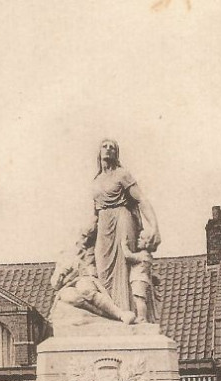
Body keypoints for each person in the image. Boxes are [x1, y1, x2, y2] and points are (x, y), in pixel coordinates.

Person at [86, 138, 160, 317]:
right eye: (105, 146)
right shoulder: (95, 181)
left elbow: (141, 199)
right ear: (99, 152)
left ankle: (129, 313)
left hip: (122, 220)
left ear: (116, 153)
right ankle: (111, 315)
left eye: (112, 147)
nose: (108, 149)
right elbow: (94, 214)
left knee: (124, 266)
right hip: (103, 226)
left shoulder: (122, 175)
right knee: (102, 270)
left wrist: (154, 226)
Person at [51, 240, 136, 324]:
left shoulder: (90, 252)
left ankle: (120, 314)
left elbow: (91, 273)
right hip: (68, 287)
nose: (84, 241)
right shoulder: (66, 259)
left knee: (86, 289)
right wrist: (63, 273)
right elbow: (55, 285)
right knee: (72, 297)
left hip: (84, 280)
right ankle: (107, 315)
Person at [123, 231, 159, 324]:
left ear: (147, 244)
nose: (138, 240)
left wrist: (124, 245)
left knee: (139, 299)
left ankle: (142, 317)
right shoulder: (147, 255)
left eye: (141, 238)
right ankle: (141, 316)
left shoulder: (143, 255)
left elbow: (128, 256)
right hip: (140, 280)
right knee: (138, 299)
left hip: (139, 280)